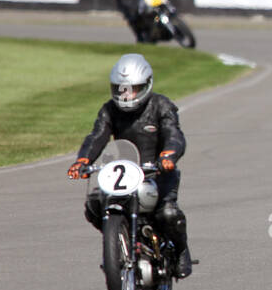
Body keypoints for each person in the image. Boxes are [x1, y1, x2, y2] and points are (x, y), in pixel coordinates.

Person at [67, 53, 193, 278]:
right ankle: (118, 242)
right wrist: (83, 161)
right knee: (94, 205)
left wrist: (168, 156)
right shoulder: (109, 110)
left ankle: (181, 250)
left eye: (132, 89)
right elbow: (97, 136)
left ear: (146, 85)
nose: (126, 95)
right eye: (120, 89)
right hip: (123, 172)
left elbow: (174, 134)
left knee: (168, 214)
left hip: (157, 173)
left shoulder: (161, 105)